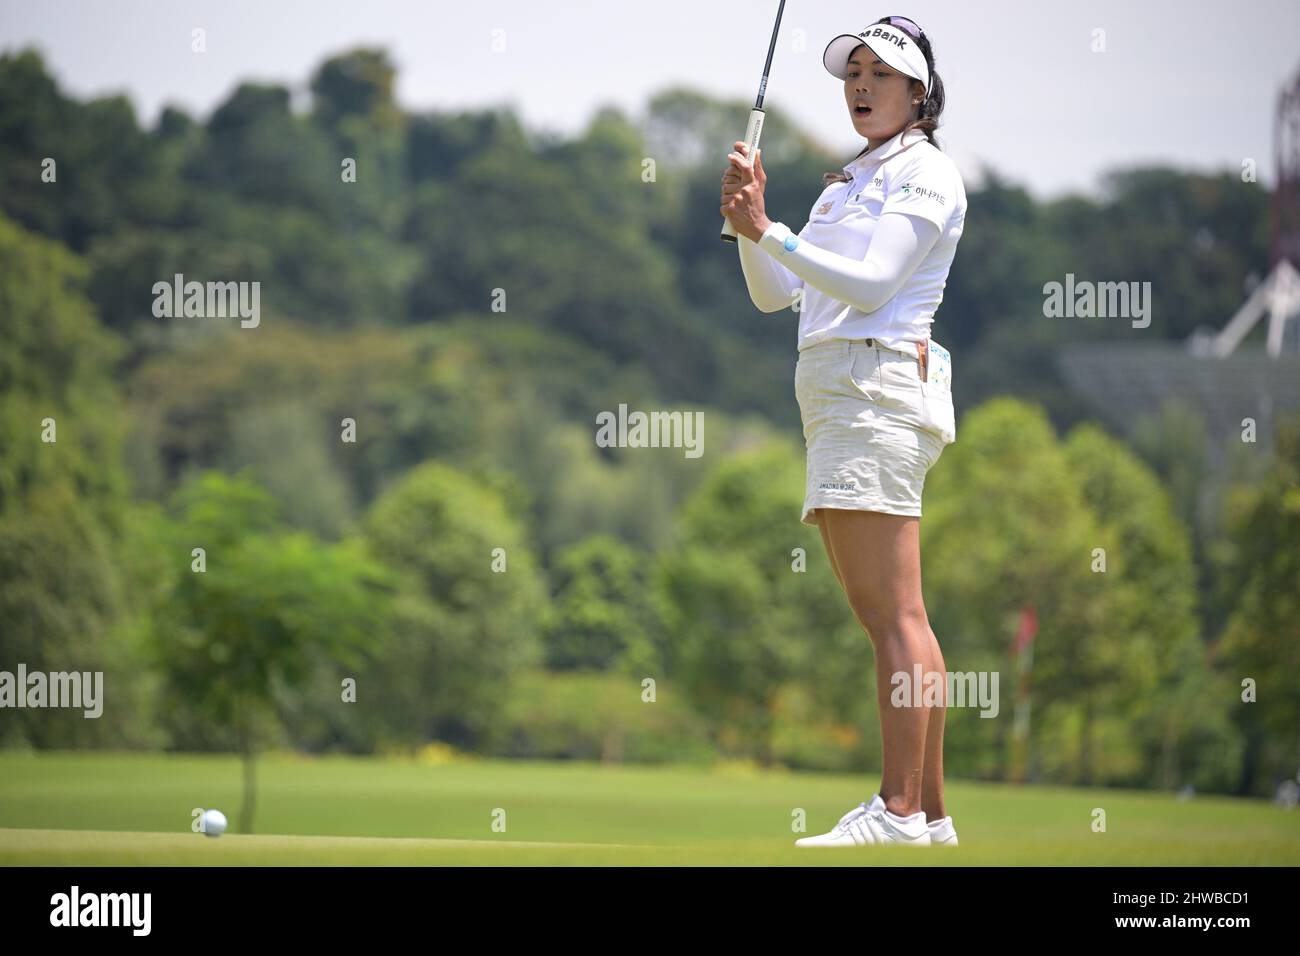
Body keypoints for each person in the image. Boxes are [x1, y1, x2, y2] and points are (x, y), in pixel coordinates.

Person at [720, 15, 965, 847]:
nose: (861, 84)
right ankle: (928, 816)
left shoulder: (926, 175)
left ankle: (897, 809)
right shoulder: (842, 185)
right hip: (837, 394)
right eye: (852, 71)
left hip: (877, 385)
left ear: (918, 93)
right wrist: (752, 225)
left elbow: (871, 285)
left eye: (881, 73)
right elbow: (771, 294)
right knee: (897, 614)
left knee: (893, 616)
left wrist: (773, 234)